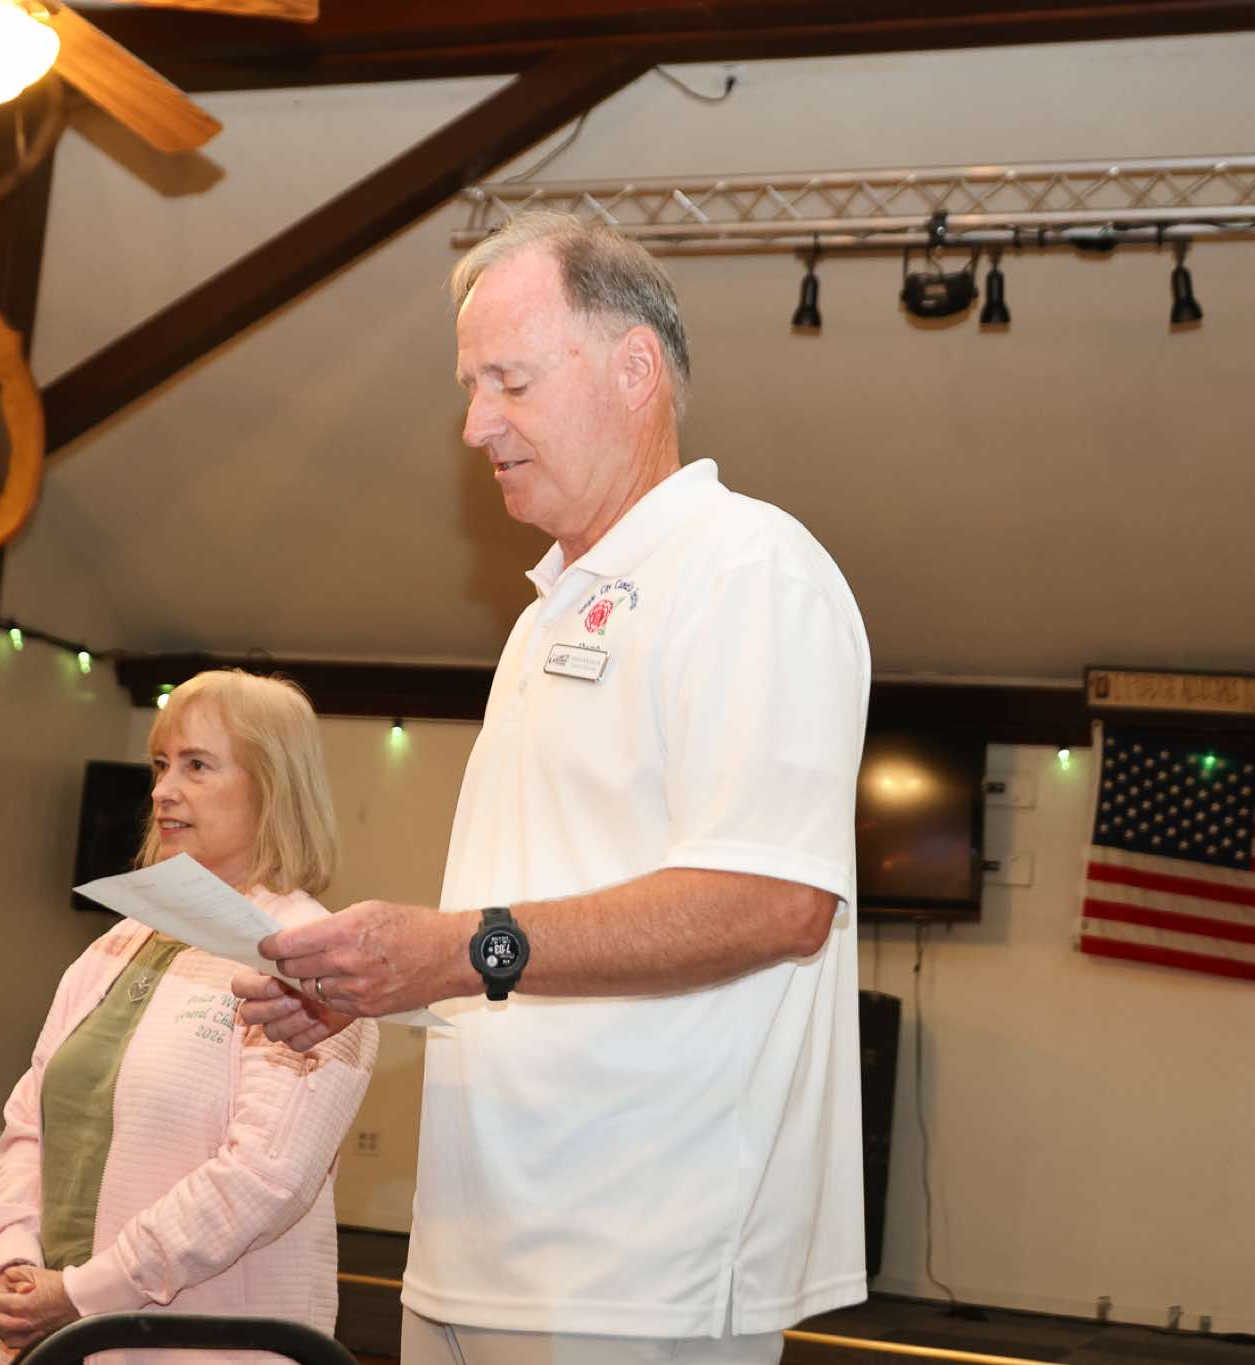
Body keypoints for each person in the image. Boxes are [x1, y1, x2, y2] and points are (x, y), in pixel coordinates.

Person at [234, 211, 872, 1365]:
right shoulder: (545, 615)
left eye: (510, 382)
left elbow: (774, 902)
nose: (475, 425)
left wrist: (450, 950)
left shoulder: (747, 569)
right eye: (470, 388)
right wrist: (377, 982)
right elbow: (524, 934)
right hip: (472, 1245)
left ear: (633, 369)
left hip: (637, 1267)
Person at [0, 669, 379, 1361]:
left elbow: (263, 1181)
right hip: (53, 1337)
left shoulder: (314, 961)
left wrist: (82, 1293)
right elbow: (29, 1119)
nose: (163, 790)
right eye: (160, 765)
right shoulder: (117, 943)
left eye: (196, 765)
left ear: (272, 786)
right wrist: (13, 1259)